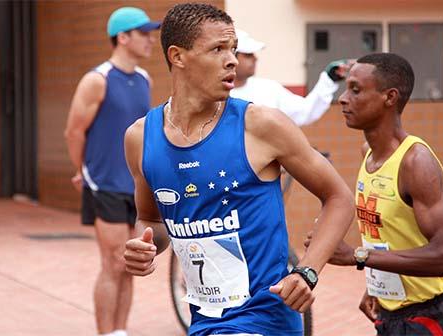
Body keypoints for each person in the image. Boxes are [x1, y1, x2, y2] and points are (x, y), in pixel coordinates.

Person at [123, 3, 354, 336]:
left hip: (265, 319)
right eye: (218, 49)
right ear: (178, 56)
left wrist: (308, 272)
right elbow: (152, 221)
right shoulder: (140, 138)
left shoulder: (261, 125)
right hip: (203, 321)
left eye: (232, 49)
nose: (232, 59)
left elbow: (339, 197)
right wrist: (142, 246)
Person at [306, 53, 443, 335]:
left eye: (356, 89)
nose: (342, 98)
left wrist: (357, 256)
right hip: (392, 315)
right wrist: (380, 286)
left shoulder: (415, 162)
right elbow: (389, 238)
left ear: (390, 97)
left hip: (436, 317)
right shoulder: (368, 154)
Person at [63, 7, 160, 336]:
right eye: (143, 33)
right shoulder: (97, 79)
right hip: (104, 183)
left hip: (136, 186)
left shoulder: (145, 78)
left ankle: (120, 330)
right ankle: (106, 332)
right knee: (113, 263)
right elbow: (74, 132)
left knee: (129, 264)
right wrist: (81, 172)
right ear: (123, 37)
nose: (151, 39)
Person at [229, 29, 352, 126]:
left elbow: (305, 111)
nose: (255, 58)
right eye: (248, 55)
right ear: (231, 56)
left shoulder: (268, 89)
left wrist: (329, 79)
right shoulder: (215, 95)